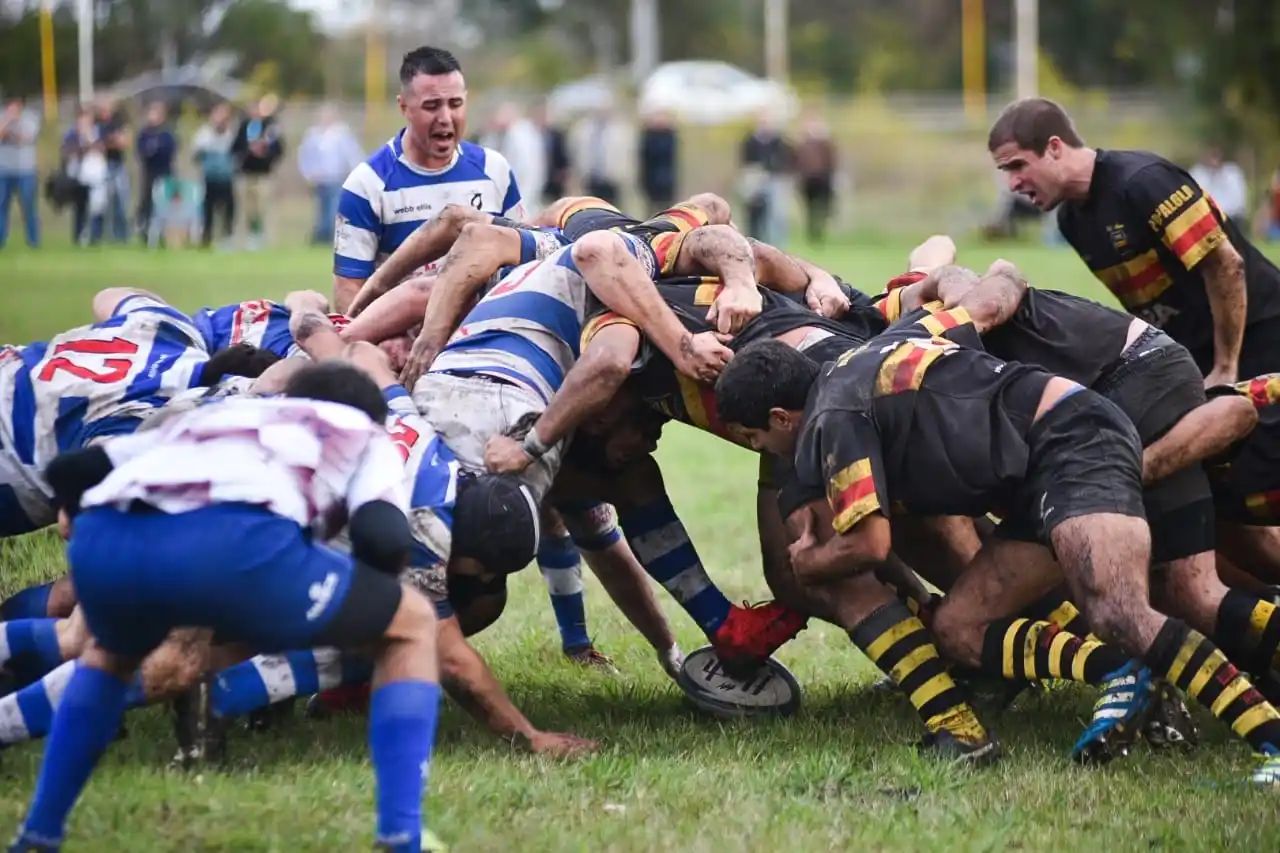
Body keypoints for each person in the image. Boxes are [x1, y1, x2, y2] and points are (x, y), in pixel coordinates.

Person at [714, 317, 1280, 783]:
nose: (764, 450)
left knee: (1117, 610)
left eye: (756, 439)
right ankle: (1122, 675)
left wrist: (808, 561)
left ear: (780, 418)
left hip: (1075, 442)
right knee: (958, 627)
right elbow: (961, 322)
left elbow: (870, 544)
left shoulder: (831, 419)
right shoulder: (874, 350)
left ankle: (1270, 741)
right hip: (1045, 464)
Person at [6, 366, 447, 853]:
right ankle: (401, 837)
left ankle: (38, 835)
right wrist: (359, 600)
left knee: (110, 658)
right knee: (411, 623)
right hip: (238, 544)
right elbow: (381, 537)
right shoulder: (364, 434)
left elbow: (71, 472)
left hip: (105, 542)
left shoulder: (223, 414)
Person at [988, 97, 1280, 385]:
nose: (1012, 184)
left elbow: (1226, 266)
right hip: (1198, 358)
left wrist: (1226, 367)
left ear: (1054, 148)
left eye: (1018, 166)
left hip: (1260, 339)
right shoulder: (1071, 221)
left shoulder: (1142, 180)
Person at [333, 46, 523, 314]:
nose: (445, 118)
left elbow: (524, 258)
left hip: (482, 335)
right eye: (431, 106)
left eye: (455, 104)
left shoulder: (495, 170)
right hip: (403, 338)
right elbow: (348, 290)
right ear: (404, 107)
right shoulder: (367, 185)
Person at [298, 105, 365, 246]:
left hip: (336, 177)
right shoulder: (313, 134)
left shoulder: (341, 133)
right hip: (319, 179)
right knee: (321, 209)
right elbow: (305, 156)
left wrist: (356, 173)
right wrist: (308, 173)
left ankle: (329, 236)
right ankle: (321, 236)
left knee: (333, 208)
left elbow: (352, 154)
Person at [232, 94, 284, 250]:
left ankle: (266, 238)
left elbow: (279, 149)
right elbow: (234, 147)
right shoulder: (244, 126)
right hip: (246, 173)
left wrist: (265, 154)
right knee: (248, 209)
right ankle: (248, 237)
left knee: (263, 207)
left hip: (263, 174)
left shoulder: (270, 127)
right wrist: (246, 153)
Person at [192, 103, 238, 250]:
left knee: (228, 210)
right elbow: (195, 155)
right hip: (210, 178)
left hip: (226, 179)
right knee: (208, 211)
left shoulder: (231, 135)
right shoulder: (204, 135)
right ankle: (206, 239)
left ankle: (227, 239)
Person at [0, 96, 41, 249]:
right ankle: (1, 239)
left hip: (26, 170)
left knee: (28, 206)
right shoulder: (2, 117)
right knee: (1, 206)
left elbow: (25, 138)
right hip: (4, 170)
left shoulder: (30, 119)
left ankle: (33, 240)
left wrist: (11, 132)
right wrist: (7, 120)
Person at [134, 102, 177, 243]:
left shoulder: (167, 133)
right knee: (147, 203)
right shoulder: (145, 133)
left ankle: (164, 234)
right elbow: (141, 152)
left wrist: (156, 149)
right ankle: (144, 231)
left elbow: (170, 150)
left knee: (164, 205)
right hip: (149, 173)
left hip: (164, 173)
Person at [793, 111, 837, 244]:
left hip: (823, 179)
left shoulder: (825, 144)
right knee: (810, 208)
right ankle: (812, 234)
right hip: (808, 180)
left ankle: (821, 231)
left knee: (824, 207)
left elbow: (832, 160)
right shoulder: (802, 145)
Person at [93, 97, 130, 243]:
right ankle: (101, 236)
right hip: (101, 167)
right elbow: (98, 145)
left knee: (121, 203)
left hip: (117, 165)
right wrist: (112, 141)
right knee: (102, 204)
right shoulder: (97, 126)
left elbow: (123, 142)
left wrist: (110, 142)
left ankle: (121, 236)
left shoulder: (117, 124)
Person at [638, 110, 678, 213]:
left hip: (666, 182)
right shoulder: (647, 136)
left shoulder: (669, 136)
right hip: (650, 181)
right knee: (651, 211)